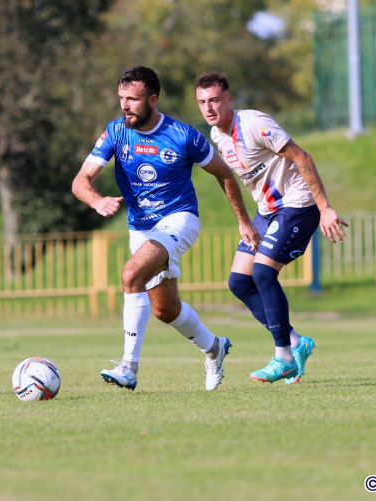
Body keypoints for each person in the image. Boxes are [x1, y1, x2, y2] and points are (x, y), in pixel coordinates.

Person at [72, 66, 260, 391]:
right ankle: (214, 347)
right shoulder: (116, 132)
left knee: (131, 275)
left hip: (180, 220)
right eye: (121, 98)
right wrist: (97, 200)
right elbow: (81, 180)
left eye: (133, 99)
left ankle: (128, 367)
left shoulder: (184, 136)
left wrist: (244, 220)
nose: (125, 105)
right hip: (140, 229)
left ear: (153, 100)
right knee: (165, 309)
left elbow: (225, 174)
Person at [194, 72, 349, 384]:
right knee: (240, 282)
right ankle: (295, 341)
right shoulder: (217, 136)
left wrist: (325, 208)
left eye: (214, 100)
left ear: (228, 100)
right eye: (202, 102)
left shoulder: (254, 124)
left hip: (298, 204)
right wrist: (245, 222)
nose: (208, 108)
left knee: (263, 273)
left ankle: (284, 359)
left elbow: (302, 156)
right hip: (267, 212)